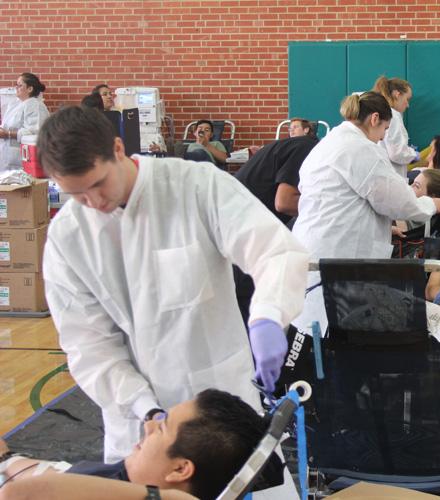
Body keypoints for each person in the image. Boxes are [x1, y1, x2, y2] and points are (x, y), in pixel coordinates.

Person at [37, 106, 309, 469]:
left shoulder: (194, 185)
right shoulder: (68, 236)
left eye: (98, 183)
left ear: (118, 149)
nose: (94, 202)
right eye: (77, 195)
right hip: (137, 425)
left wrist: (269, 316)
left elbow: (274, 250)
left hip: (219, 400)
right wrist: (142, 406)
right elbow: (87, 342)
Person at [291, 91, 440, 334]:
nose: (383, 137)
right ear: (374, 119)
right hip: (338, 250)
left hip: (317, 240)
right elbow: (396, 201)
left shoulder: (329, 143)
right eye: (385, 129)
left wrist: (384, 225)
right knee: (331, 327)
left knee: (316, 326)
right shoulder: (359, 148)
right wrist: (430, 205)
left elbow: (348, 199)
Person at [0, 390, 283, 500]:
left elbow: (19, 494)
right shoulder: (120, 481)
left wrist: (163, 498)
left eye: (161, 427)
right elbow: (56, 475)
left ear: (181, 468)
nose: (147, 425)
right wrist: (7, 458)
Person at [234, 133, 319, 323]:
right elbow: (285, 202)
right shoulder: (306, 150)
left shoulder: (297, 146)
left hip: (246, 229)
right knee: (248, 306)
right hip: (244, 234)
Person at [0, 73, 50, 172]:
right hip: (8, 158)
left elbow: (34, 133)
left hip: (24, 159)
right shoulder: (16, 104)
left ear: (29, 89)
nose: (16, 88)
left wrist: (7, 134)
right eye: (16, 85)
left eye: (20, 85)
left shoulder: (35, 105)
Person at [372, 76, 418, 178]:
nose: (407, 105)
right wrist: (413, 154)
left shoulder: (381, 112)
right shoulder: (392, 115)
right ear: (397, 95)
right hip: (390, 175)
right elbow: (397, 153)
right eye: (407, 99)